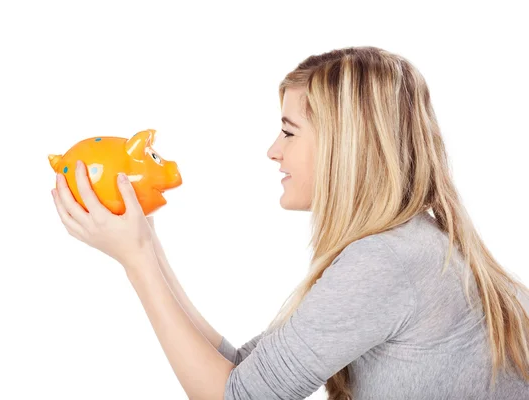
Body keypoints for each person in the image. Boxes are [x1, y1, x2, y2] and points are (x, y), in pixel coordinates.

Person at [146, 46, 529, 399]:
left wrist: (137, 259)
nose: (273, 150)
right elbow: (245, 371)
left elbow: (235, 396)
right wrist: (148, 245)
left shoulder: (387, 261)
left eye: (288, 131)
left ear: (341, 146)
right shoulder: (413, 243)